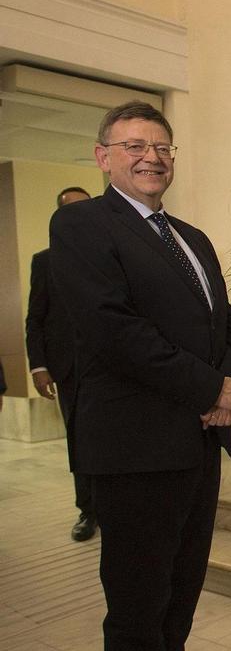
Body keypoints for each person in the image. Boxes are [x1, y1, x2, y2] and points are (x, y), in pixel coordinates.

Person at [49, 101, 231, 651]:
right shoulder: (80, 226)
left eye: (162, 146)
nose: (152, 156)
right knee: (137, 601)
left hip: (195, 443)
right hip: (134, 446)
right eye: (135, 144)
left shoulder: (190, 236)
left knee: (181, 588)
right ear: (103, 154)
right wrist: (210, 386)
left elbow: (225, 318)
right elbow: (112, 331)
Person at [26, 185, 94, 541]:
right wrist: (39, 365)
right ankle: (88, 510)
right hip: (68, 368)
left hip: (113, 366)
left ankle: (119, 507)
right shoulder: (45, 261)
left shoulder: (111, 253)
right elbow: (36, 316)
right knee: (80, 441)